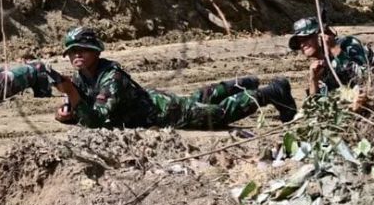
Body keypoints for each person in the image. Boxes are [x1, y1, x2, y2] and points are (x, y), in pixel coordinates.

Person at [51, 27, 296, 129]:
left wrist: (71, 94)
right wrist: (65, 112)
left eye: (82, 50)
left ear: (96, 51)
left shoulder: (111, 78)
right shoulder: (82, 77)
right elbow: (82, 106)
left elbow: (97, 121)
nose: (76, 55)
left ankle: (272, 92)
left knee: (218, 115)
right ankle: (241, 84)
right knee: (197, 99)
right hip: (157, 103)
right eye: (72, 51)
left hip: (165, 113)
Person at [287, 17, 374, 97]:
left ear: (320, 36)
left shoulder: (347, 44)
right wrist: (313, 80)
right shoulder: (320, 66)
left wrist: (335, 49)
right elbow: (315, 105)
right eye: (299, 41)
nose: (302, 44)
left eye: (306, 38)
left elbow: (365, 78)